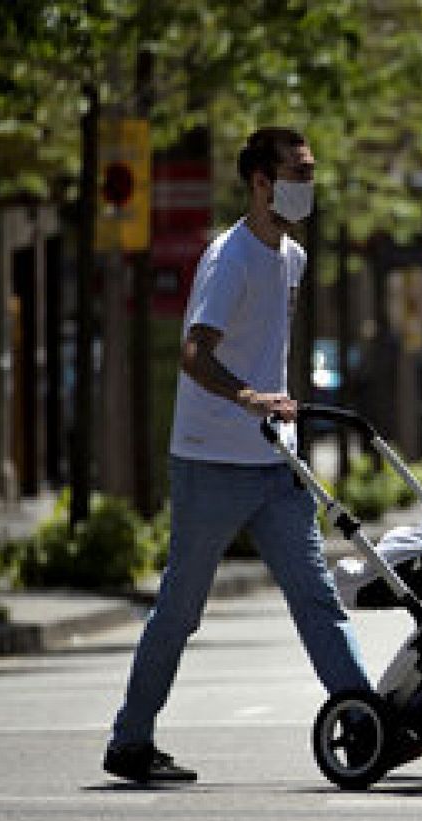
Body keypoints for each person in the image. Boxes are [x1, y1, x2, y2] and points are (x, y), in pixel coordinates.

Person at [103, 128, 373, 783]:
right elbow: (195, 352)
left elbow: (268, 343)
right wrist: (247, 395)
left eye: (310, 171)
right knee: (180, 609)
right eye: (296, 172)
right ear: (260, 180)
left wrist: (275, 410)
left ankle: (367, 724)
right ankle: (130, 741)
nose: (307, 183)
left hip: (275, 461)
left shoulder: (294, 258)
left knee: (317, 600)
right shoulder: (231, 257)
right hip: (210, 460)